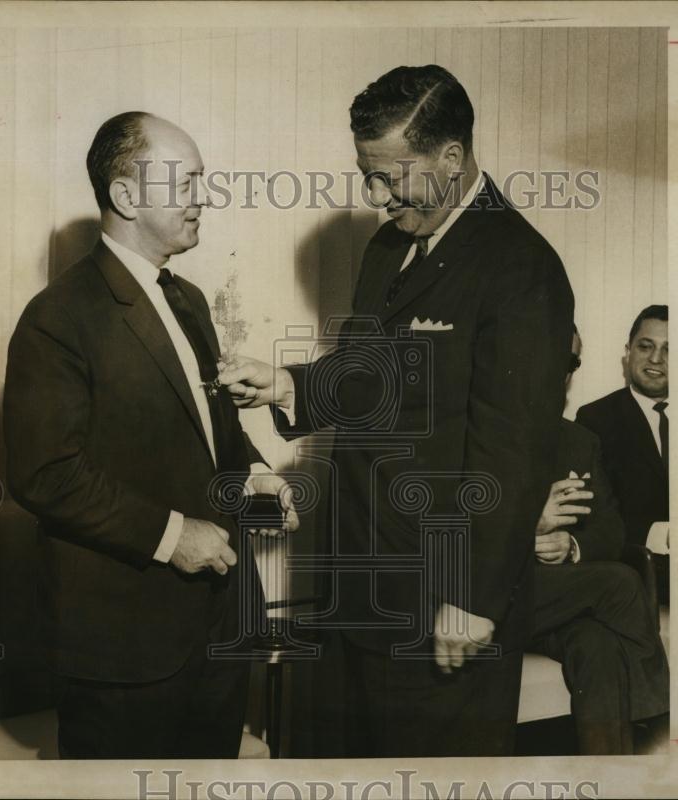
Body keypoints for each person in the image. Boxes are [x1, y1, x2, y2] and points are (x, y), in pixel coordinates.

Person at [218, 65, 574, 757]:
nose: (377, 196)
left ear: (451, 157)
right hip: (358, 586)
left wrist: (472, 601)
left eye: (391, 176)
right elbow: (375, 379)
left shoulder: (522, 268)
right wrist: (289, 386)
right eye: (367, 175)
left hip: (447, 600)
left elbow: (515, 453)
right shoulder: (389, 248)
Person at [3, 112, 297, 759]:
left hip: (217, 629)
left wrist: (256, 474)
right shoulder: (57, 317)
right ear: (127, 196)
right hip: (122, 652)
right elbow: (44, 473)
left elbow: (205, 428)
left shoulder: (188, 297)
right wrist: (172, 537)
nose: (204, 198)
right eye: (187, 181)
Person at [528, 327, 669, 755]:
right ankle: (665, 725)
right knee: (622, 582)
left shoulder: (579, 441)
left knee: (599, 649)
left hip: (564, 602)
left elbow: (610, 530)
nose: (557, 371)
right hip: (494, 596)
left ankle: (615, 778)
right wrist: (527, 532)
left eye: (569, 362)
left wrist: (572, 547)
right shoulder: (476, 434)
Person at [576, 305, 670, 604]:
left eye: (670, 349)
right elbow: (593, 518)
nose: (656, 359)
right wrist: (661, 534)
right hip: (637, 580)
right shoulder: (596, 419)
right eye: (646, 346)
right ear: (628, 352)